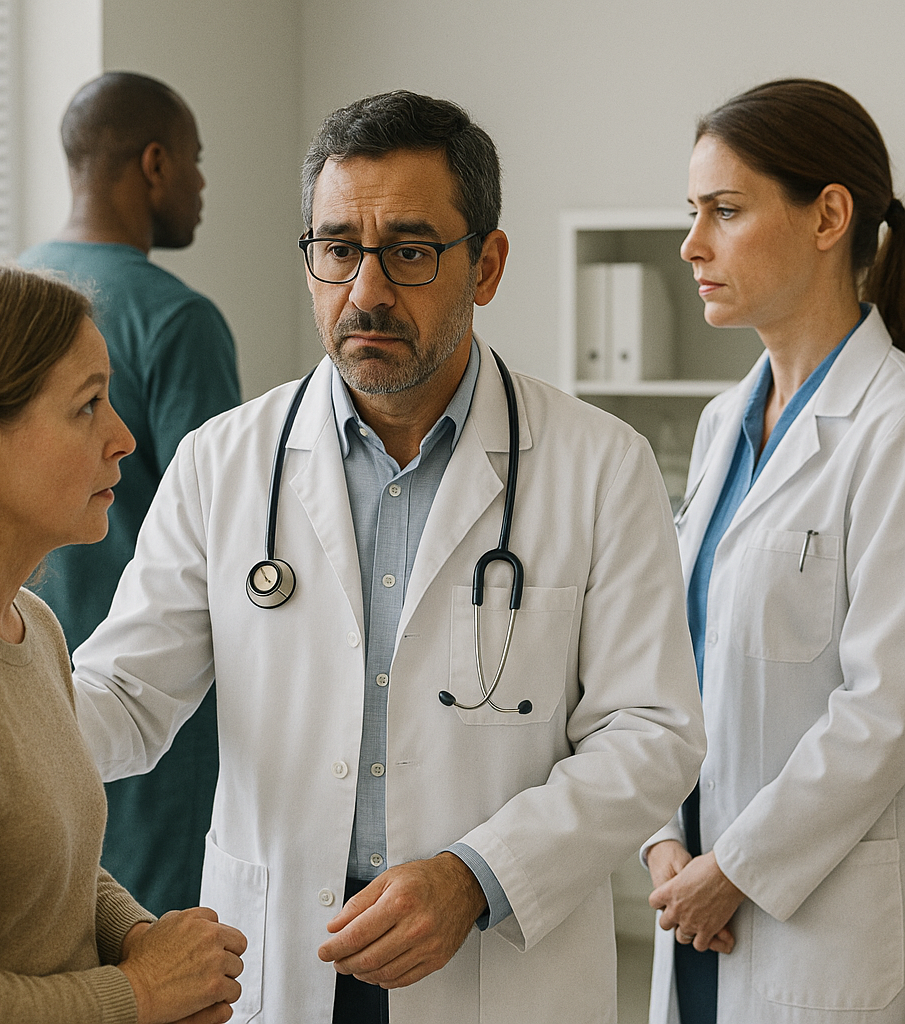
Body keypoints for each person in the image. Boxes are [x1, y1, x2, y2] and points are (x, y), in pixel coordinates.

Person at [72, 90, 706, 1024]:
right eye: (337, 250)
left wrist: (472, 877)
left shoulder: (599, 464)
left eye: (409, 252)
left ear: (486, 265)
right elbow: (125, 695)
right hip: (281, 952)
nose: (366, 291)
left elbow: (652, 732)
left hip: (491, 957)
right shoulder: (226, 462)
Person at [0, 259, 245, 1024]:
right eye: (87, 407)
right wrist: (144, 992)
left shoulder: (31, 627)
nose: (122, 437)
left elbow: (51, 865)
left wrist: (146, 939)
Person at [644, 79, 905, 1024]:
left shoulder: (893, 427)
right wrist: (664, 846)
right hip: (698, 906)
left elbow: (885, 709)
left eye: (726, 211)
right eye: (692, 212)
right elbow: (679, 661)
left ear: (829, 214)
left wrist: (738, 869)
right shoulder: (722, 426)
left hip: (814, 919)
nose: (692, 245)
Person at [19, 71, 241, 916]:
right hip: (154, 703)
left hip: (33, 676)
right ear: (153, 163)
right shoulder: (175, 320)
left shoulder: (13, 293)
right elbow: (236, 532)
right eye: (193, 160)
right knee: (155, 948)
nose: (201, 184)